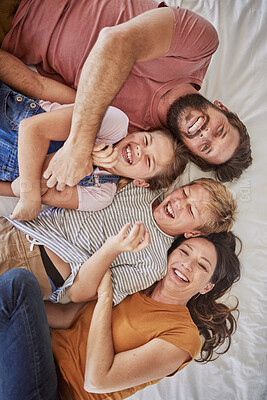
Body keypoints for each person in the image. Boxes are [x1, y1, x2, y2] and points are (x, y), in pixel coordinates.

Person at [0, 0, 252, 187]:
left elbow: (40, 86)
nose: (205, 132)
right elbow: (116, 42)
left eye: (205, 146)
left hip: (11, 34)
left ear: (190, 150)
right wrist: (80, 143)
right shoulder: (199, 47)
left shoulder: (132, 134)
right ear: (222, 108)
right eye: (220, 131)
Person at [0, 232, 241, 400]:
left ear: (206, 287)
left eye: (202, 266)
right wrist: (13, 309)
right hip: (30, 358)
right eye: (184, 252)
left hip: (56, 392)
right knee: (17, 287)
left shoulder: (184, 337)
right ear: (170, 254)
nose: (187, 264)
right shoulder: (132, 286)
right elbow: (63, 316)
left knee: (19, 284)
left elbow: (97, 380)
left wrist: (105, 296)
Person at [0, 177, 236, 303]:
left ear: (193, 233)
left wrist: (112, 249)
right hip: (16, 224)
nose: (178, 203)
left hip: (36, 266)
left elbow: (77, 295)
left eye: (191, 211)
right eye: (184, 193)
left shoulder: (152, 264)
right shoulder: (142, 188)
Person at [0, 81, 186, 221]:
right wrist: (83, 151)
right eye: (146, 140)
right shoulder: (114, 122)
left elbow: (18, 187)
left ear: (141, 182)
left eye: (149, 161)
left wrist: (87, 160)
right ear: (139, 132)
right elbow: (31, 129)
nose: (140, 150)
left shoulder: (101, 194)